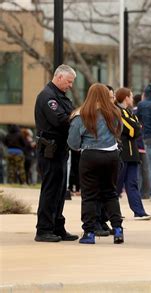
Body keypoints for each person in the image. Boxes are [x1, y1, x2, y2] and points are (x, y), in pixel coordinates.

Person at [68, 83, 124, 245]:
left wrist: (83, 146)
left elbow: (72, 142)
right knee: (110, 193)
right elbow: (118, 133)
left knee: (89, 195)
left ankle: (89, 232)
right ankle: (118, 229)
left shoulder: (82, 114)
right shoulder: (115, 112)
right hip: (112, 155)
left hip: (90, 156)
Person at [34, 64, 78, 242]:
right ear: (59, 77)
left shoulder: (61, 97)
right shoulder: (48, 97)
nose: (70, 85)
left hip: (60, 149)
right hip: (49, 150)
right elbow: (60, 120)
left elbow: (70, 114)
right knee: (50, 190)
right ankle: (43, 229)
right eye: (69, 81)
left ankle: (57, 227)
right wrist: (76, 116)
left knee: (60, 191)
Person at [115, 87, 151, 220]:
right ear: (126, 98)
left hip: (132, 154)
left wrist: (136, 128)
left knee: (132, 184)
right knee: (117, 185)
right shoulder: (118, 112)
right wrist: (136, 128)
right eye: (130, 96)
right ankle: (110, 212)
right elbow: (133, 130)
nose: (132, 99)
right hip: (122, 154)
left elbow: (137, 128)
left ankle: (139, 212)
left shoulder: (129, 112)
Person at [132, 94, 151, 199]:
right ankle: (147, 193)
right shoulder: (145, 112)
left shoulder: (132, 113)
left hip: (136, 143)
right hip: (145, 143)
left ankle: (137, 192)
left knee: (137, 170)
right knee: (146, 170)